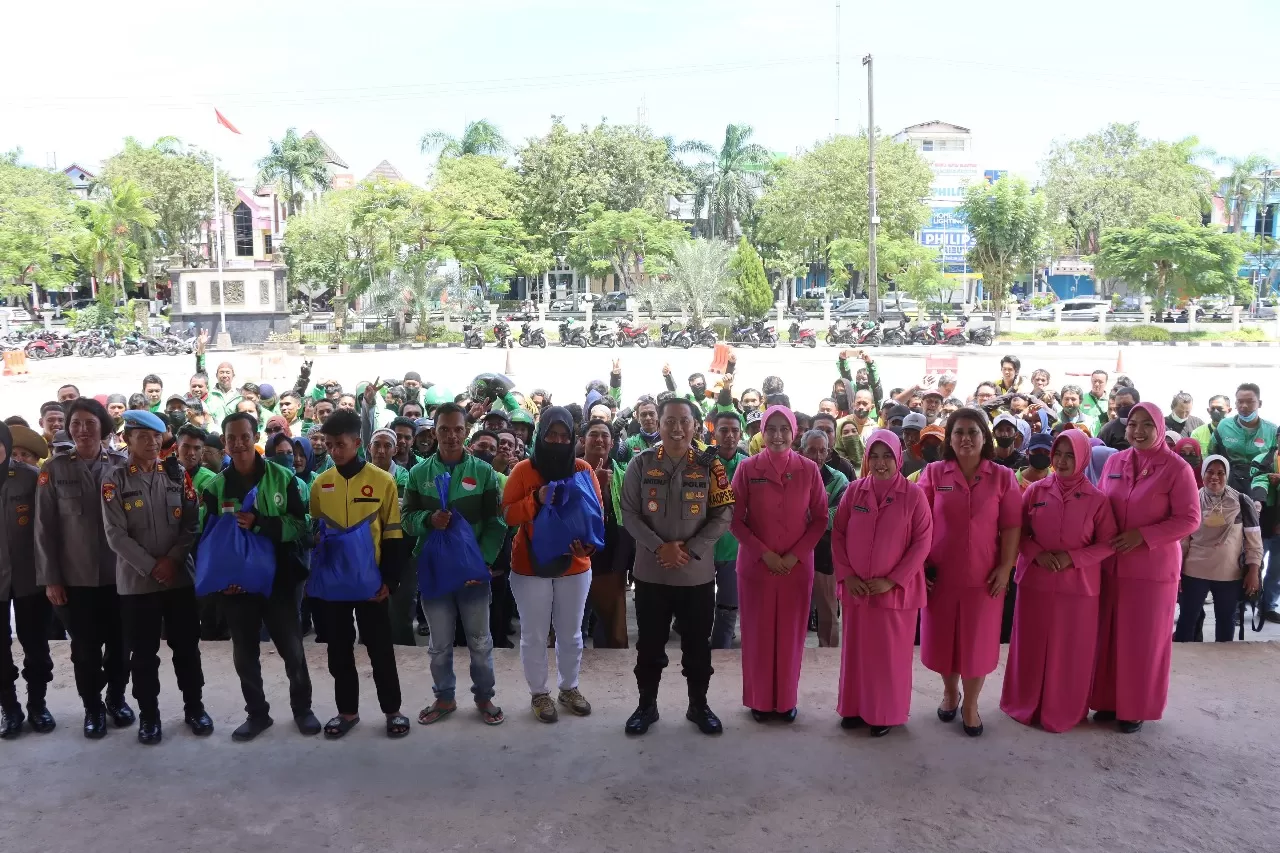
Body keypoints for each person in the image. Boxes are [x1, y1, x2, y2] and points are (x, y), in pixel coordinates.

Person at [201, 412, 319, 741]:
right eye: (231, 438)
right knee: (245, 653)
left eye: (244, 436)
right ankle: (257, 714)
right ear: (224, 442)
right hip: (237, 586)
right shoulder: (215, 488)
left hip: (279, 580)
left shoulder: (284, 479)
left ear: (254, 438)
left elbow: (301, 526)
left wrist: (261, 523)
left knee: (292, 648)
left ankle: (302, 709)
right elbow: (209, 540)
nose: (237, 443)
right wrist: (224, 580)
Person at [620, 397, 734, 736]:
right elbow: (630, 514)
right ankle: (646, 706)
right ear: (660, 424)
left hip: (695, 575)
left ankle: (698, 705)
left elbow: (723, 513)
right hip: (652, 574)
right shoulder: (641, 464)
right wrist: (660, 547)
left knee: (697, 648)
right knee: (649, 647)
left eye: (684, 421)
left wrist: (691, 549)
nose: (677, 428)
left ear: (695, 426)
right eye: (670, 420)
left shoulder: (710, 466)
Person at [1091, 401, 1201, 733]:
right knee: (1109, 638)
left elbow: (1190, 519)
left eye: (1146, 425)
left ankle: (1135, 707)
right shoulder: (1114, 460)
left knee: (1142, 641)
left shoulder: (1176, 468)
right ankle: (1109, 701)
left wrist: (1143, 536)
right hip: (1111, 567)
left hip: (1152, 573)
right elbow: (1099, 504)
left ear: (1159, 428)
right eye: (1132, 425)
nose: (1138, 431)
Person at [101, 410, 209, 745]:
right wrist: (152, 566)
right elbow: (115, 535)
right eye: (142, 436)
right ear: (127, 439)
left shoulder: (177, 475)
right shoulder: (114, 479)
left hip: (178, 579)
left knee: (187, 648)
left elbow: (190, 524)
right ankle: (149, 716)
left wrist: (173, 560)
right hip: (137, 583)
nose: (151, 442)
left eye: (156, 436)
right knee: (144, 655)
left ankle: (195, 708)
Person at [1000, 430, 1117, 733]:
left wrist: (1073, 559)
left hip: (1078, 589)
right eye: (1059, 454)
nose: (1063, 461)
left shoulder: (1098, 499)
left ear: (1083, 458)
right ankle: (1024, 705)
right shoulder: (1036, 491)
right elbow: (1018, 534)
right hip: (1035, 583)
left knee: (1070, 651)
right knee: (1030, 646)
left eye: (1070, 455)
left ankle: (1064, 709)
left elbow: (1107, 544)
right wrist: (1037, 553)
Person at [918, 408, 1022, 737]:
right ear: (949, 439)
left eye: (973, 432)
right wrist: (919, 566)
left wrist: (1006, 568)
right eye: (959, 432)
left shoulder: (1003, 477)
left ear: (984, 437)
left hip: (984, 578)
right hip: (941, 576)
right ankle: (950, 693)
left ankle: (971, 704)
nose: (966, 438)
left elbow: (1011, 527)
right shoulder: (934, 474)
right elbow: (917, 523)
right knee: (944, 641)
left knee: (977, 644)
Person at [307, 410, 410, 739]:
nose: (335, 451)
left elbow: (394, 534)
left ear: (357, 443)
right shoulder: (321, 484)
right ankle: (347, 712)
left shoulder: (383, 481)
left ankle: (393, 711)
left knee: (380, 649)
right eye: (330, 445)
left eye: (341, 444)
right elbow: (315, 532)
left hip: (371, 584)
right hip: (333, 585)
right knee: (338, 651)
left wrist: (389, 582)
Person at [403, 402, 506, 726]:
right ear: (434, 432)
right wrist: (428, 519)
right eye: (444, 430)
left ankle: (485, 697)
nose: (450, 436)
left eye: (457, 429)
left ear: (466, 432)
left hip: (472, 573)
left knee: (479, 641)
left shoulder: (484, 472)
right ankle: (444, 697)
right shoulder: (419, 474)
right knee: (439, 644)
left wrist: (483, 561)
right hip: (435, 572)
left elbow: (496, 522)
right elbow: (406, 518)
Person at [34, 398, 132, 739]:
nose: (82, 430)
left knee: (121, 647)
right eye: (75, 424)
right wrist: (51, 579)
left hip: (121, 576)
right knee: (85, 650)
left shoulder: (122, 465)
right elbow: (43, 529)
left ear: (103, 427)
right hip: (75, 580)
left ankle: (117, 699)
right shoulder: (54, 469)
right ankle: (93, 707)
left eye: (90, 423)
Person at [501, 406, 603, 722]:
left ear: (572, 437)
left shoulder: (583, 468)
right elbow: (507, 515)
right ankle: (539, 694)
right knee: (533, 633)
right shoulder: (522, 471)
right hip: (530, 566)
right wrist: (537, 499)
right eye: (551, 434)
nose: (558, 441)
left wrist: (589, 546)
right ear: (541, 434)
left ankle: (569, 688)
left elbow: (596, 516)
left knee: (571, 633)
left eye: (564, 435)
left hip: (575, 566)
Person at [729, 407, 827, 723]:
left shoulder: (809, 470)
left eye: (784, 428)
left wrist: (795, 555)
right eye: (771, 428)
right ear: (762, 431)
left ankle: (786, 700)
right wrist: (764, 553)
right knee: (757, 635)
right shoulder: (746, 468)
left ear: (794, 431)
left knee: (791, 636)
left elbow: (820, 519)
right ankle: (759, 700)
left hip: (796, 569)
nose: (778, 435)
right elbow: (734, 518)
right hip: (757, 568)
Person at [832, 430, 932, 736]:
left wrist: (892, 580)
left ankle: (885, 714)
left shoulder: (914, 495)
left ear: (898, 458)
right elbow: (838, 534)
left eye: (887, 456)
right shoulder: (854, 492)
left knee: (888, 657)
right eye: (873, 456)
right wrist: (847, 575)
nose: (880, 463)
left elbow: (922, 542)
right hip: (857, 590)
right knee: (857, 654)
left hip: (894, 595)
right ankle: (854, 708)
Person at [0, 421, 54, 739]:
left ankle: (37, 705)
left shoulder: (30, 476)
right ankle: (9, 708)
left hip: (31, 577)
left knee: (36, 645)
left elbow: (48, 526)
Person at [1173, 456, 1262, 643]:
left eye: (1220, 473)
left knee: (1226, 620)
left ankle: (1223, 663)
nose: (1215, 477)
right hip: (1193, 572)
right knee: (1187, 619)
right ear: (1203, 474)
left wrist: (1253, 571)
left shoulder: (1242, 502)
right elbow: (1182, 541)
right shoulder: (1191, 500)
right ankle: (1183, 666)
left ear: (1227, 475)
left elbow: (1253, 542)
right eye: (1210, 472)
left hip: (1229, 574)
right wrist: (1177, 572)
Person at [580, 418, 631, 649]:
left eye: (605, 435)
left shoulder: (624, 474)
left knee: (612, 628)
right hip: (576, 552)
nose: (599, 439)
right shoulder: (571, 470)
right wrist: (596, 485)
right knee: (574, 619)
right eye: (593, 434)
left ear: (612, 443)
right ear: (583, 441)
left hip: (612, 556)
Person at [799, 429, 848, 648]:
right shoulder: (791, 474)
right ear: (802, 451)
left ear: (828, 453)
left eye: (822, 451)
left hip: (824, 551)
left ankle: (828, 652)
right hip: (793, 550)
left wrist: (802, 515)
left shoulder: (837, 479)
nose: (817, 456)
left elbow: (838, 516)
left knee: (827, 609)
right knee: (795, 607)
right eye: (812, 450)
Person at [710, 411, 748, 649]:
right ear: (714, 433)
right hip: (703, 546)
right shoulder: (702, 462)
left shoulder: (749, 465)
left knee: (728, 606)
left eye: (734, 431)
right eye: (724, 430)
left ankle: (721, 653)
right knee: (700, 606)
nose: (730, 436)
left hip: (734, 546)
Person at [1098, 386, 1140, 452]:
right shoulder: (1108, 429)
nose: (1122, 408)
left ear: (1137, 404)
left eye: (1126, 404)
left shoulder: (1147, 426)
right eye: (1119, 405)